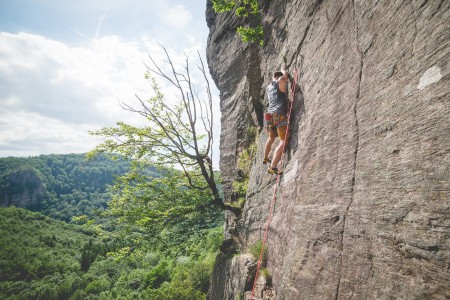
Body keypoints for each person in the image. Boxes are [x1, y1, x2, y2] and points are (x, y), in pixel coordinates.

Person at [263, 64, 289, 175]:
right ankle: (273, 166)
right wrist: (283, 69)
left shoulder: (268, 88)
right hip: (279, 114)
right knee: (283, 141)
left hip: (270, 115)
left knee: (271, 137)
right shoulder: (281, 81)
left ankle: (265, 157)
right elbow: (285, 76)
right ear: (278, 77)